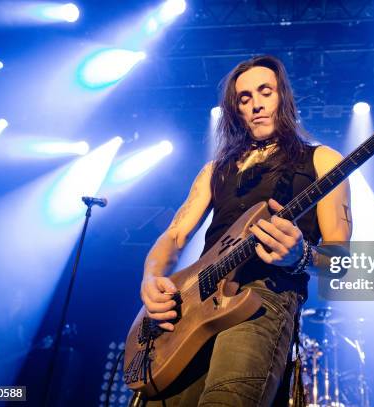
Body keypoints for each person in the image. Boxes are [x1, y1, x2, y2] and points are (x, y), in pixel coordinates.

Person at [140, 55, 352, 406]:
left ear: (283, 96)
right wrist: (150, 278)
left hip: (264, 298)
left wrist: (301, 257)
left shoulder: (322, 160)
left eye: (265, 91)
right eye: (244, 98)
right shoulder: (215, 170)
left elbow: (341, 259)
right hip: (195, 304)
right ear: (236, 109)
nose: (255, 104)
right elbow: (175, 235)